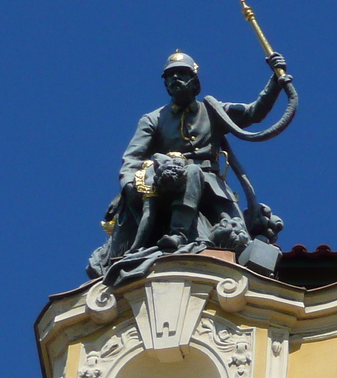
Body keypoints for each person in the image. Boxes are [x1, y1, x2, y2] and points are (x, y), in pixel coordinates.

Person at [87, 50, 289, 283]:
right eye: (170, 76)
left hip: (211, 186)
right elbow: (132, 157)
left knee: (238, 238)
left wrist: (275, 82)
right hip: (167, 180)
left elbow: (254, 113)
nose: (175, 79)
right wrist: (129, 182)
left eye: (181, 74)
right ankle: (177, 235)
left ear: (195, 81)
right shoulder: (153, 119)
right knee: (188, 175)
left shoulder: (213, 110)